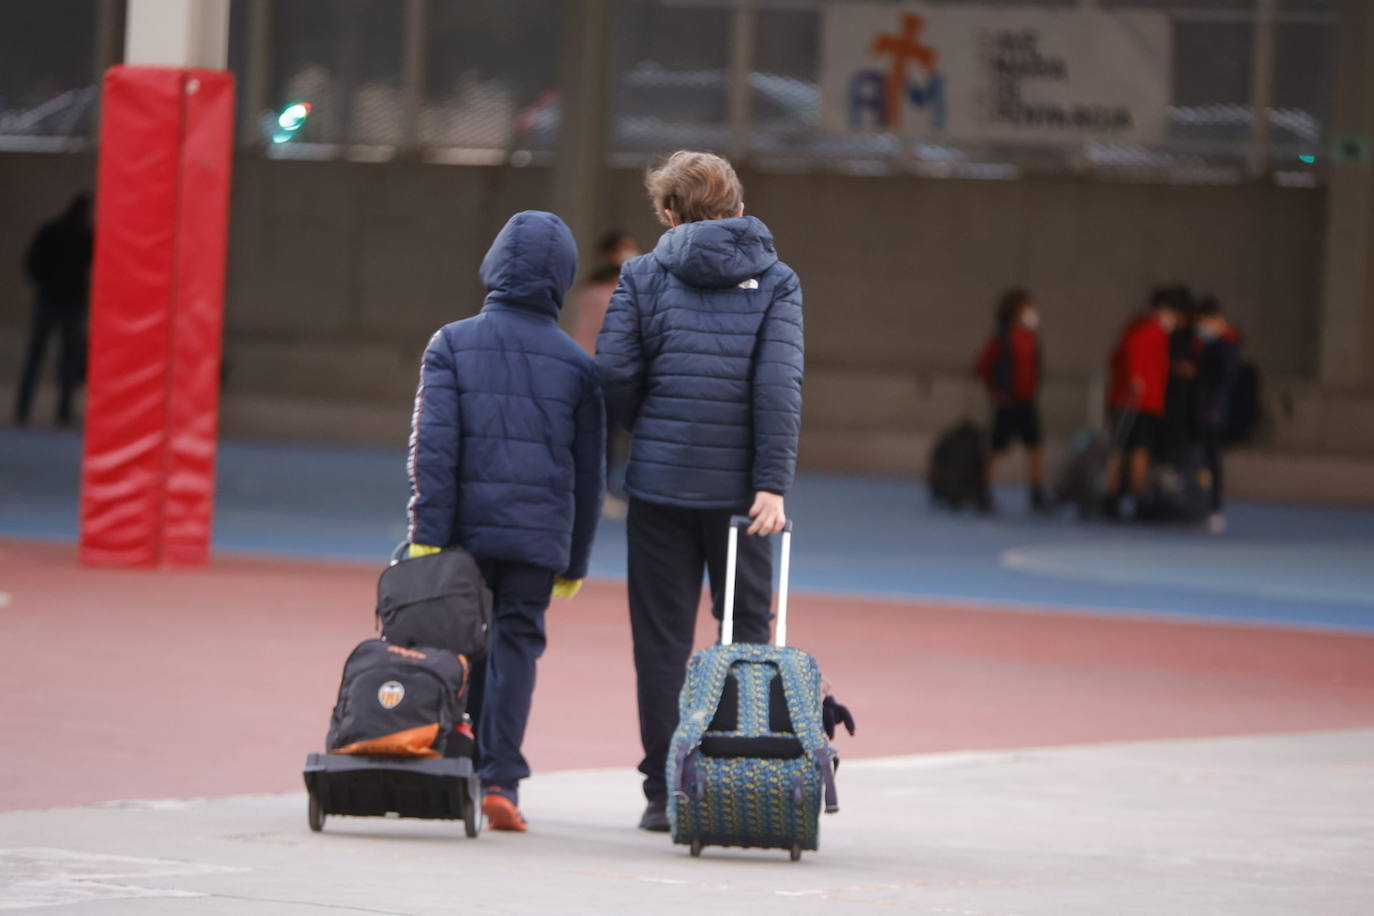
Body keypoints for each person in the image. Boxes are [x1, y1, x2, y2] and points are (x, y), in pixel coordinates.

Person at [597, 150, 804, 833]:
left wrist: (644, 431)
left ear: (667, 213)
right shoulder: (778, 281)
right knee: (747, 636)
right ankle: (741, 779)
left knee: (660, 643)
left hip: (659, 486)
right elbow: (778, 387)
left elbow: (616, 374)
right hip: (746, 501)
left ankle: (664, 791)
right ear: (738, 206)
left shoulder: (642, 274)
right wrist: (771, 483)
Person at [405, 210, 606, 832]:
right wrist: (574, 560)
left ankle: (453, 767)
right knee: (517, 645)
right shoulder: (579, 367)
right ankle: (502, 780)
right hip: (538, 536)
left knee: (460, 645)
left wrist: (427, 537)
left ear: (494, 264)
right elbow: (590, 475)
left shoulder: (451, 343)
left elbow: (433, 451)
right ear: (562, 278)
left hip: (463, 533)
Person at [568, 230, 640, 515]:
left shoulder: (599, 288)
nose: (629, 254)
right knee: (602, 433)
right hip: (599, 369)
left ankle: (599, 488)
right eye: (624, 249)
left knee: (604, 433)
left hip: (599, 367)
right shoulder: (603, 292)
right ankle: (597, 490)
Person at [1101, 288, 1182, 519]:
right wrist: (1136, 377)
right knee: (1138, 450)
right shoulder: (1150, 330)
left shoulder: (1136, 328)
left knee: (1120, 448)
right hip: (1139, 401)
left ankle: (1114, 496)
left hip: (1131, 399)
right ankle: (1137, 497)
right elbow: (1132, 354)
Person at [14, 192, 93, 426]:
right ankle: (49, 410)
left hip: (59, 302)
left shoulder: (71, 233)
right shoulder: (74, 234)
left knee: (60, 360)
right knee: (53, 359)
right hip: (58, 303)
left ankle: (31, 409)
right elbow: (32, 262)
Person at [974, 288, 1046, 512]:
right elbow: (983, 367)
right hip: (1007, 402)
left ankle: (1037, 493)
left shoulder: (1031, 339)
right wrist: (996, 392)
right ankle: (983, 491)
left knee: (1035, 446)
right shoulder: (1002, 339)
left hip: (1027, 401)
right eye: (1028, 308)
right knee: (996, 448)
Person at [1193, 297, 1241, 534]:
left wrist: (1212, 408)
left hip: (1214, 411)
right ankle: (1204, 506)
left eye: (1203, 322)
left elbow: (1223, 381)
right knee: (1203, 461)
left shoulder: (1227, 343)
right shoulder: (1214, 344)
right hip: (1206, 408)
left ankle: (1214, 508)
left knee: (1212, 461)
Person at [569, 230, 639, 356]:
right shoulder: (594, 292)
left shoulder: (633, 288)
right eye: (624, 248)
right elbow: (586, 332)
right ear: (609, 254)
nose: (629, 253)